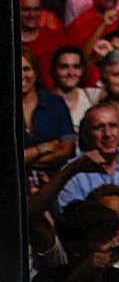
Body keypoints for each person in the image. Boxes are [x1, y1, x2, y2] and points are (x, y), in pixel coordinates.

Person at [57, 104, 119, 259]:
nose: (107, 134)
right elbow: (73, 225)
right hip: (95, 259)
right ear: (86, 134)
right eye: (99, 127)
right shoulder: (72, 172)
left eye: (113, 126)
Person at [34, 199, 119, 282]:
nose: (114, 245)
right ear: (75, 247)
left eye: (112, 238)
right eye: (103, 240)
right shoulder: (46, 279)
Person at [22, 47, 77, 188]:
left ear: (35, 72)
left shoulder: (55, 103)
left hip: (54, 181)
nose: (21, 75)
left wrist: (25, 159)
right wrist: (42, 148)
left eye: (26, 69)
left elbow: (67, 149)